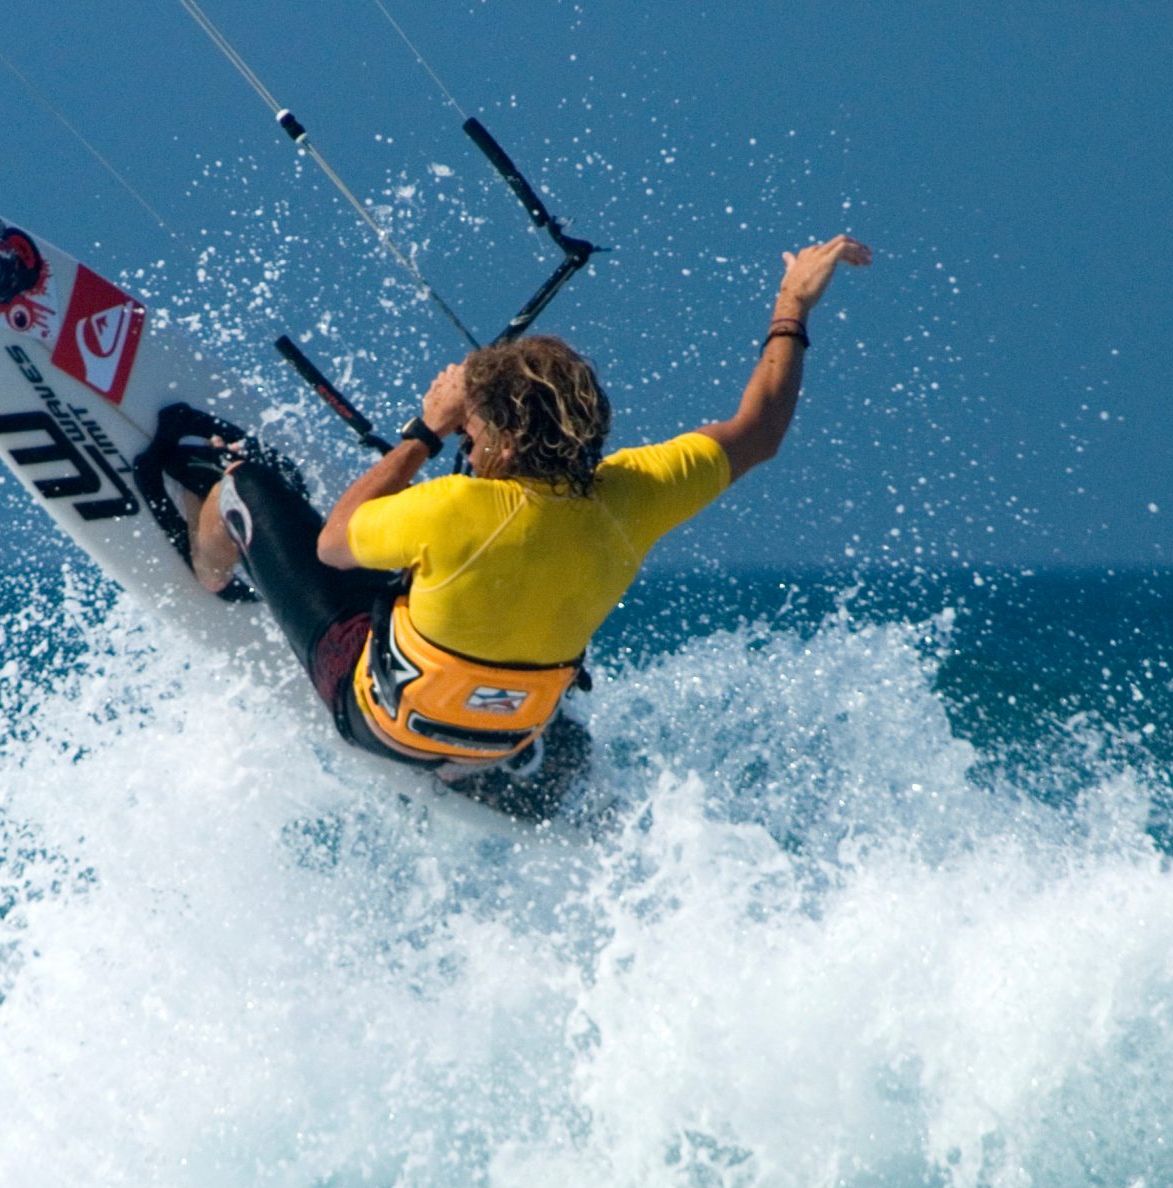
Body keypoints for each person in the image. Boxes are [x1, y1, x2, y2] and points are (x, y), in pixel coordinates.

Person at [142, 235, 871, 816]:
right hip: (499, 740)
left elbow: (335, 541)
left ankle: (210, 568)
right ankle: (527, 774)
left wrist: (422, 431)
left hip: (376, 719)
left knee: (248, 484)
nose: (467, 440)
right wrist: (791, 305)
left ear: (506, 440)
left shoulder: (455, 508)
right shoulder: (638, 493)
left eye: (473, 428)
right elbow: (762, 427)